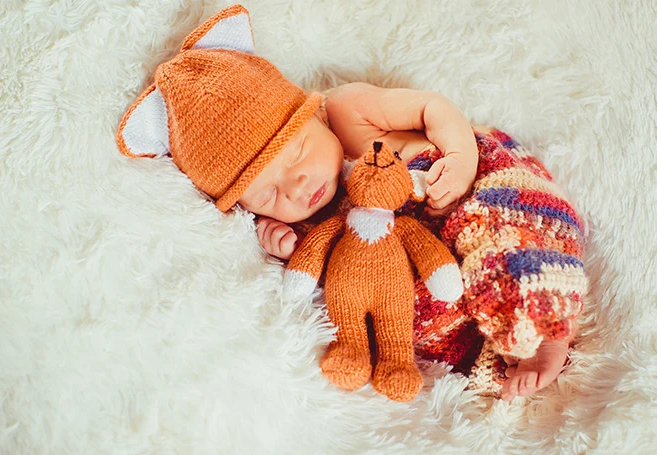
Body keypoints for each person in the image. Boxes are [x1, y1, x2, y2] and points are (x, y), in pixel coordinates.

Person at [116, 5, 585, 401]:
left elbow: (432, 108)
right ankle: (498, 345)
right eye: (269, 193)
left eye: (296, 152)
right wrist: (283, 246)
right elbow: (334, 271)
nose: (298, 187)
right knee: (418, 310)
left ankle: (545, 327)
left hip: (471, 183)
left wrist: (460, 159)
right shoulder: (302, 220)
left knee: (494, 229)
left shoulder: (347, 109)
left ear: (306, 110)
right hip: (418, 254)